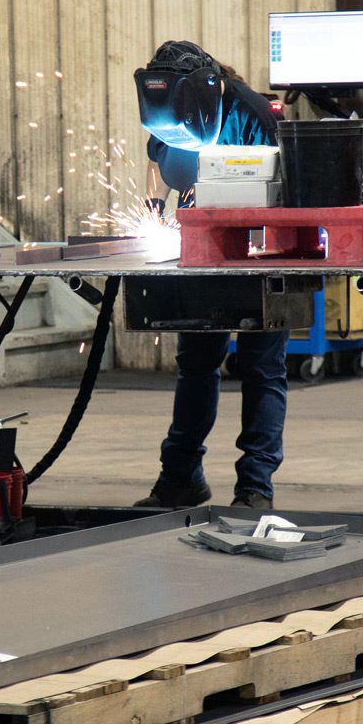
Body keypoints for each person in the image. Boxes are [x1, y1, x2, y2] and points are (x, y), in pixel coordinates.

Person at [132, 40, 287, 511]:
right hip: (200, 243)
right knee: (196, 365)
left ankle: (255, 487)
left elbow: (286, 190)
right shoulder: (169, 106)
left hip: (263, 248)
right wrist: (155, 209)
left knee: (260, 368)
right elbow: (161, 162)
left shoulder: (255, 115)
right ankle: (181, 478)